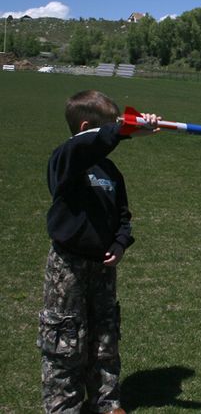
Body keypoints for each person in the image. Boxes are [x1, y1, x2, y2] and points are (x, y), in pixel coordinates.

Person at [38, 90, 159, 414]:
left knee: (105, 337)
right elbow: (83, 146)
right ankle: (65, 406)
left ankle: (107, 402)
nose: (114, 135)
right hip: (68, 269)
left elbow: (123, 216)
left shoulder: (110, 172)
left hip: (103, 269)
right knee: (65, 342)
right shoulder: (64, 161)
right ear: (87, 127)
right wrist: (123, 129)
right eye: (109, 128)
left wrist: (119, 245)